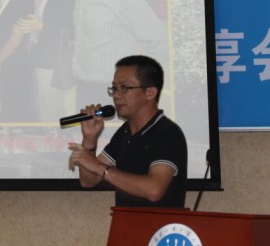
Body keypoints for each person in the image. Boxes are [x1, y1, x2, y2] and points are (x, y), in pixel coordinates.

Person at [68, 55, 187, 207]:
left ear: (150, 93)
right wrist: (90, 140)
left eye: (124, 88)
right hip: (125, 221)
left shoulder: (168, 133)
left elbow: (154, 190)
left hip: (160, 223)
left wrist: (99, 167)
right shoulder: (124, 132)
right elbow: (88, 181)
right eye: (114, 88)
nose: (116, 95)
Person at [17, 0, 76, 122]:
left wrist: (41, 26)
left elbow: (69, 22)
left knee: (51, 109)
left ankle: (56, 140)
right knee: (39, 104)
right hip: (34, 50)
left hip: (51, 56)